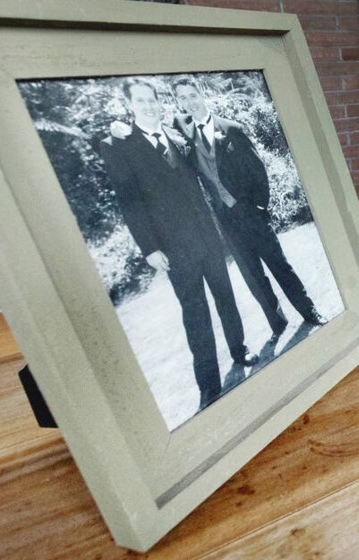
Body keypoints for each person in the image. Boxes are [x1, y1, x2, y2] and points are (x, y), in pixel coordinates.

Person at [100, 78, 258, 411]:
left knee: (226, 300)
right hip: (173, 251)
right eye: (140, 101)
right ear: (130, 106)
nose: (148, 106)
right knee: (195, 314)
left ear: (159, 102)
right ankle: (209, 385)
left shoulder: (176, 134)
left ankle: (240, 349)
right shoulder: (119, 146)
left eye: (151, 99)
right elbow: (129, 204)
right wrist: (149, 249)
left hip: (207, 238)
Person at [170, 77, 326, 334]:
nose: (189, 102)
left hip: (252, 214)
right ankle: (277, 323)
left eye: (192, 95)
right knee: (253, 276)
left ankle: (309, 312)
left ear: (202, 94)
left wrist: (260, 208)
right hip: (227, 222)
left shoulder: (231, 129)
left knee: (280, 266)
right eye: (182, 98)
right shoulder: (187, 140)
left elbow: (258, 171)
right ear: (178, 103)